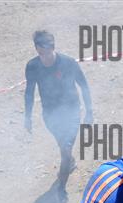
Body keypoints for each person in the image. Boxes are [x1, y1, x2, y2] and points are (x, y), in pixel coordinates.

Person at [24, 30, 93, 183]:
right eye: (41, 54)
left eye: (47, 53)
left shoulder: (68, 63)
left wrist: (89, 112)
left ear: (53, 47)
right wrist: (27, 117)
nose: (45, 57)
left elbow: (83, 85)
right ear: (37, 50)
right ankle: (69, 161)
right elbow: (29, 92)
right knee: (63, 144)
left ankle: (62, 182)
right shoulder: (32, 66)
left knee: (66, 146)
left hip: (72, 111)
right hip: (50, 114)